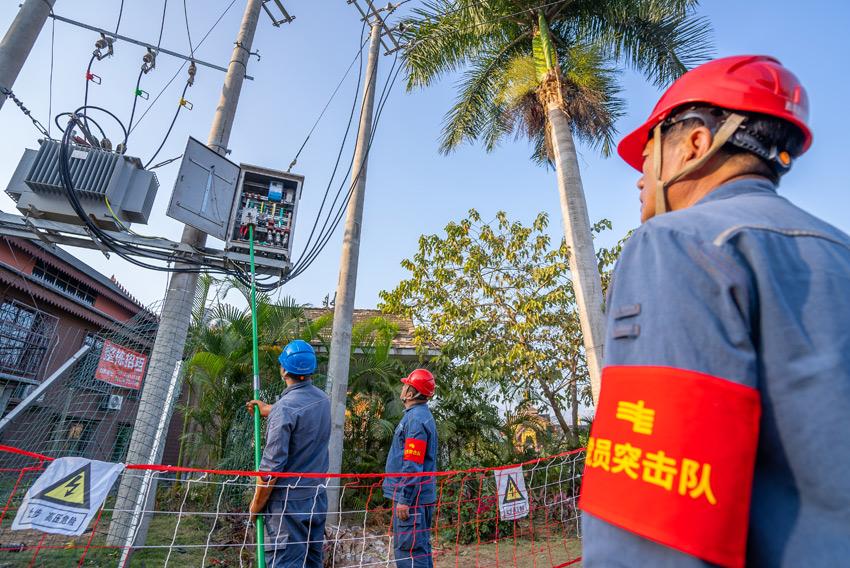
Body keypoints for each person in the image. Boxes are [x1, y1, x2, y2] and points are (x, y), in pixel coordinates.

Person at [579, 54, 850, 566]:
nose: (640, 179)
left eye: (648, 155)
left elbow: (654, 521)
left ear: (696, 144)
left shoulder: (676, 243)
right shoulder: (840, 250)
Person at [246, 339, 331, 567]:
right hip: (316, 499)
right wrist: (270, 409)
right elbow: (300, 412)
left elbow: (270, 471)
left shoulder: (285, 409)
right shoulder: (323, 400)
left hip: (287, 507)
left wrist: (255, 507)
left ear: (284, 370)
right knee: (312, 562)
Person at [383, 369, 439, 568]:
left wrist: (405, 499)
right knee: (419, 550)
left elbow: (413, 464)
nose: (403, 387)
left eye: (406, 385)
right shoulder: (419, 416)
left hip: (412, 500)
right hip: (418, 497)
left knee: (410, 554)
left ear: (412, 392)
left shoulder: (415, 420)